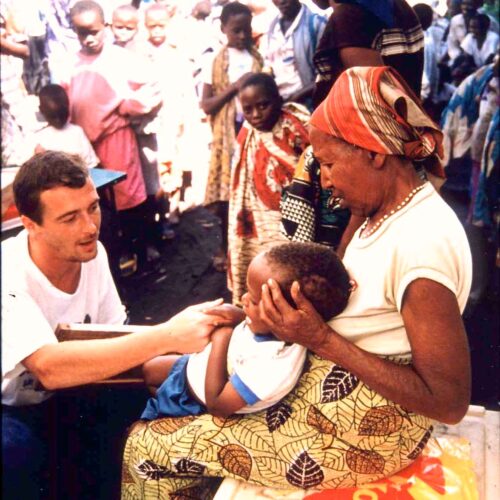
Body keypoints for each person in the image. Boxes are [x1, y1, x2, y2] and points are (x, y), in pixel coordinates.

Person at [121, 66, 472, 497]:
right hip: (330, 396)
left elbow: (449, 401)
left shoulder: (422, 246)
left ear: (375, 153)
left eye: (327, 163)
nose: (323, 180)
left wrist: (321, 340)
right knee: (172, 385)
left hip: (361, 436)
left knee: (144, 446)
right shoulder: (384, 211)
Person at [1, 151, 229, 499]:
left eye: (92, 208)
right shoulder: (9, 272)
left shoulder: (91, 252)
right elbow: (47, 368)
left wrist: (197, 357)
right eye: (69, 218)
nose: (90, 226)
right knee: (17, 454)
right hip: (11, 406)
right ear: (30, 224)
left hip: (65, 393)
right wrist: (167, 334)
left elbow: (113, 340)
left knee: (140, 417)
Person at [141, 242, 351, 419]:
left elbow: (218, 406)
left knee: (148, 412)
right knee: (149, 370)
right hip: (193, 369)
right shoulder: (276, 328)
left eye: (253, 299)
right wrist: (238, 315)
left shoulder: (273, 366)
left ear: (287, 314)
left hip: (193, 401)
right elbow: (255, 326)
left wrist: (222, 339)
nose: (243, 299)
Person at [61, 0, 162, 270]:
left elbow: (151, 87)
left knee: (128, 196)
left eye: (94, 31)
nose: (89, 38)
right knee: (95, 200)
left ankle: (140, 251)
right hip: (83, 144)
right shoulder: (69, 62)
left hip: (116, 138)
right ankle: (110, 255)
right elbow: (61, 97)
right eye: (82, 32)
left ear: (105, 27)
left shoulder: (119, 58)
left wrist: (129, 107)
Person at [228, 73, 310, 304]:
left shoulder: (295, 127)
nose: (256, 115)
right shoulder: (246, 133)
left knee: (294, 274)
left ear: (278, 98)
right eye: (248, 109)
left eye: (263, 105)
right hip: (258, 221)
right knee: (262, 275)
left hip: (294, 215)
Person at [200, 1, 263, 272]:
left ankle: (254, 247)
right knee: (228, 195)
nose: (241, 36)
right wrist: (235, 88)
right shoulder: (214, 61)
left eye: (245, 30)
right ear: (223, 29)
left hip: (253, 131)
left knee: (254, 189)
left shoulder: (257, 59)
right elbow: (206, 104)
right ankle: (226, 247)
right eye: (236, 30)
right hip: (228, 136)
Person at [260, 0, 326, 109]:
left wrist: (295, 97)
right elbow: (268, 66)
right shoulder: (272, 29)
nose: (281, 1)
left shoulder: (316, 24)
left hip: (310, 105)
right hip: (281, 106)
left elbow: (325, 76)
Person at [34, 83, 99, 169]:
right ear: (41, 110)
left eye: (62, 114)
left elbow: (92, 165)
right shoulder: (38, 139)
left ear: (68, 106)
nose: (58, 120)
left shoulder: (77, 132)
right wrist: (39, 159)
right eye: (53, 116)